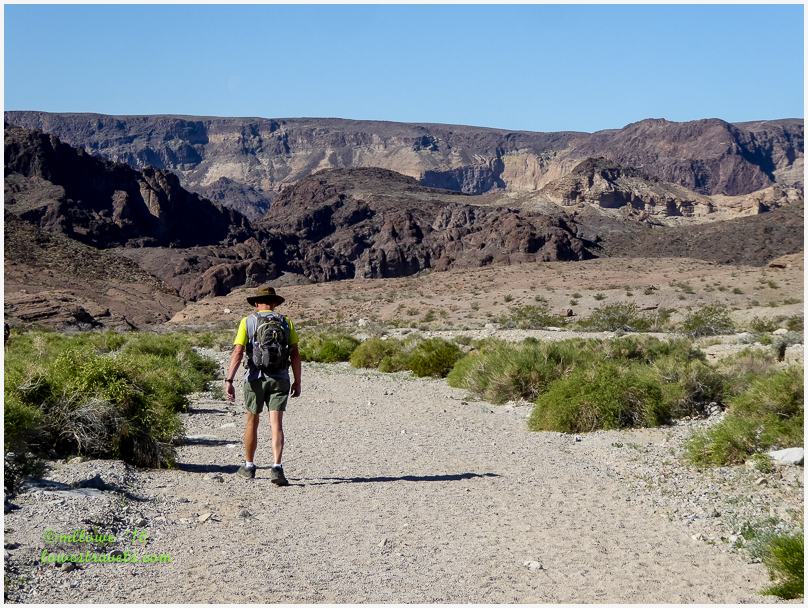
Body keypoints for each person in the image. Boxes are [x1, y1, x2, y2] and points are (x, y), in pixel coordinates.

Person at [224, 285, 301, 485]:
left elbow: (238, 352)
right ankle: (277, 467)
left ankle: (249, 466)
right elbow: (295, 353)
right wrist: (297, 381)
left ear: (257, 303)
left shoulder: (247, 321)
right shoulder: (286, 322)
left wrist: (229, 380)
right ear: (274, 303)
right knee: (276, 424)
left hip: (254, 378)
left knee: (252, 421)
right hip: (280, 378)